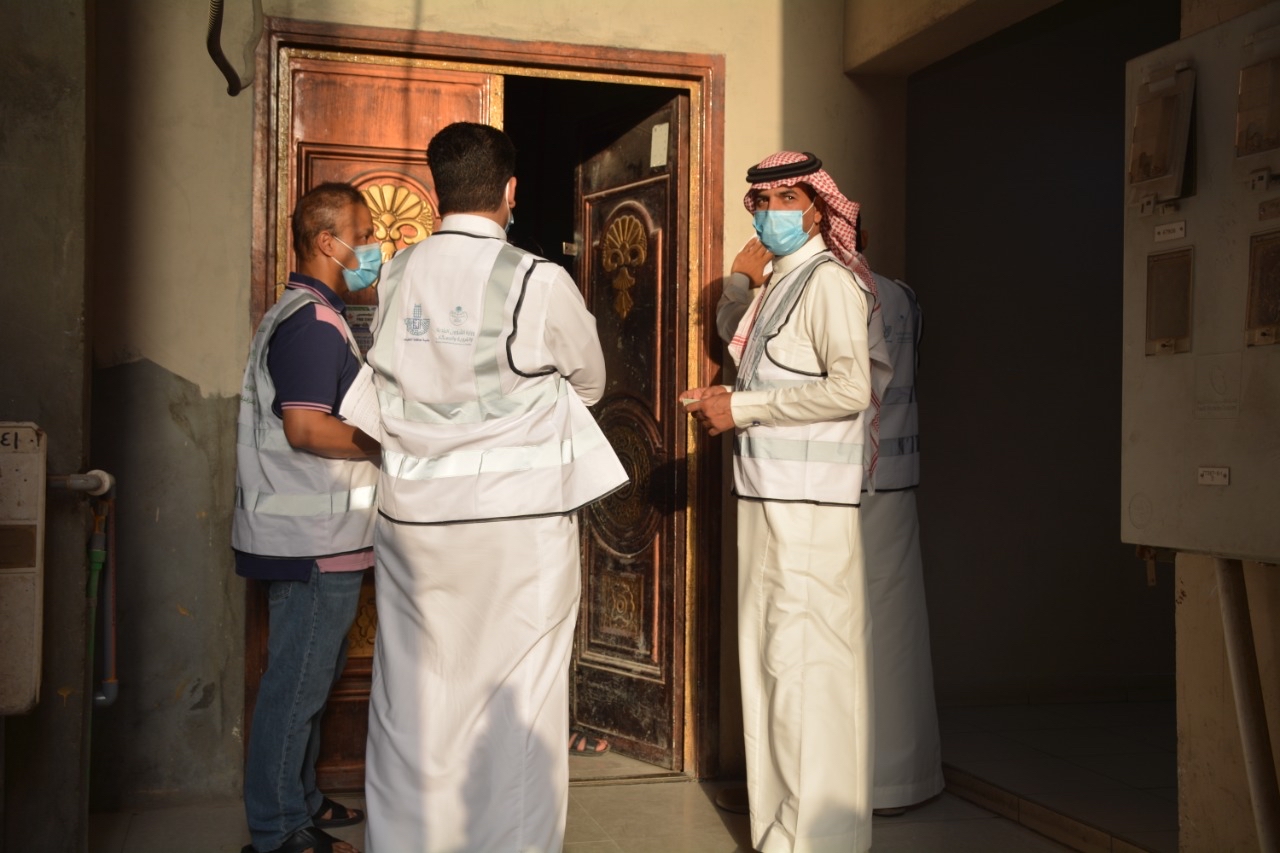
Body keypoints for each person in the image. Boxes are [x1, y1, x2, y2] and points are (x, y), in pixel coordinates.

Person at [341, 121, 627, 852]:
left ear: (438, 191)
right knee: (520, 703)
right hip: (515, 528)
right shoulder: (538, 279)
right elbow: (589, 381)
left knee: (413, 698)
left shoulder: (397, 274)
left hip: (413, 522)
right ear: (510, 191)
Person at [684, 150, 891, 853]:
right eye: (761, 202)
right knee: (775, 668)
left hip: (810, 512)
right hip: (768, 497)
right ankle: (783, 831)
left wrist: (741, 409)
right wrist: (727, 399)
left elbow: (850, 389)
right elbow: (776, 382)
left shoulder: (829, 282)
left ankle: (819, 838)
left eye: (784, 200)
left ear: (817, 209)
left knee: (808, 671)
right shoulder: (782, 281)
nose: (769, 213)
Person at [233, 182, 383, 853]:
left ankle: (301, 798)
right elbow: (305, 428)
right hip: (312, 542)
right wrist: (386, 443)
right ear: (327, 241)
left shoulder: (308, 313)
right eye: (364, 234)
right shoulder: (313, 324)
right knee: (296, 687)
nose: (373, 247)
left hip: (317, 539)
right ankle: (277, 829)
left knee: (309, 681)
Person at [858, 228, 945, 816]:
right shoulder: (903, 296)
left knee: (852, 632)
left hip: (848, 483)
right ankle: (903, 779)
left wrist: (738, 286)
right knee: (896, 630)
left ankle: (867, 782)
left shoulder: (836, 294)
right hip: (896, 479)